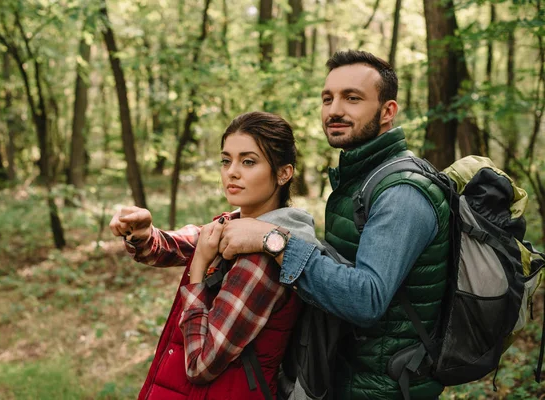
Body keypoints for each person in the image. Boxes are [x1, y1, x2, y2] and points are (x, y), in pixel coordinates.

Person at [216, 50, 451, 400]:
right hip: (346, 374)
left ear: (388, 112)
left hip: (383, 387)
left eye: (352, 98)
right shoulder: (359, 180)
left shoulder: (402, 191)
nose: (334, 110)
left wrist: (272, 239)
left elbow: (365, 299)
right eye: (328, 98)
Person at [109, 111, 324, 400]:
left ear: (284, 173)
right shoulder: (231, 225)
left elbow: (201, 364)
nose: (232, 172)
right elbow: (170, 246)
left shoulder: (264, 256)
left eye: (248, 161)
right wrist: (143, 232)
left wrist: (198, 269)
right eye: (226, 160)